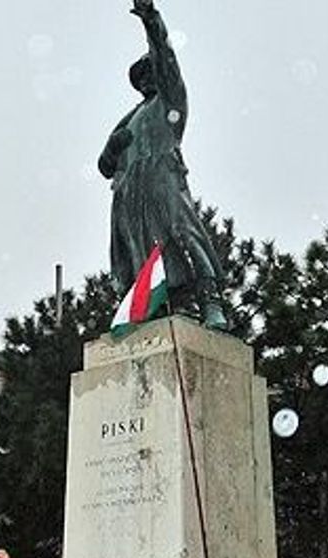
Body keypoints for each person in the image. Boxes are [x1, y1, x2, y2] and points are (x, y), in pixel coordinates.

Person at [99, 0, 228, 330]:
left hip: (162, 175)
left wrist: (151, 20)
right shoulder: (129, 118)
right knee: (140, 250)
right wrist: (112, 150)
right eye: (139, 77)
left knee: (185, 232)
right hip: (130, 190)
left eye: (148, 72)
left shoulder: (170, 101)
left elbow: (166, 58)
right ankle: (159, 305)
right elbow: (104, 166)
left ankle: (211, 300)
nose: (145, 80)